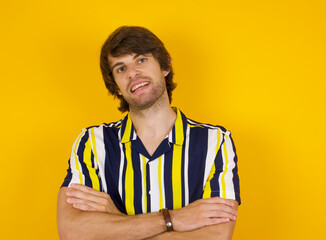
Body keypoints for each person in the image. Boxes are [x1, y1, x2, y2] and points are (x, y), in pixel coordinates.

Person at [57, 26, 241, 240]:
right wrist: (173, 219)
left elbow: (216, 237)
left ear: (165, 66)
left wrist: (116, 218)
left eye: (141, 60)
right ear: (116, 86)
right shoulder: (92, 143)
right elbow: (73, 232)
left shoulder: (215, 141)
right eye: (120, 68)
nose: (133, 73)